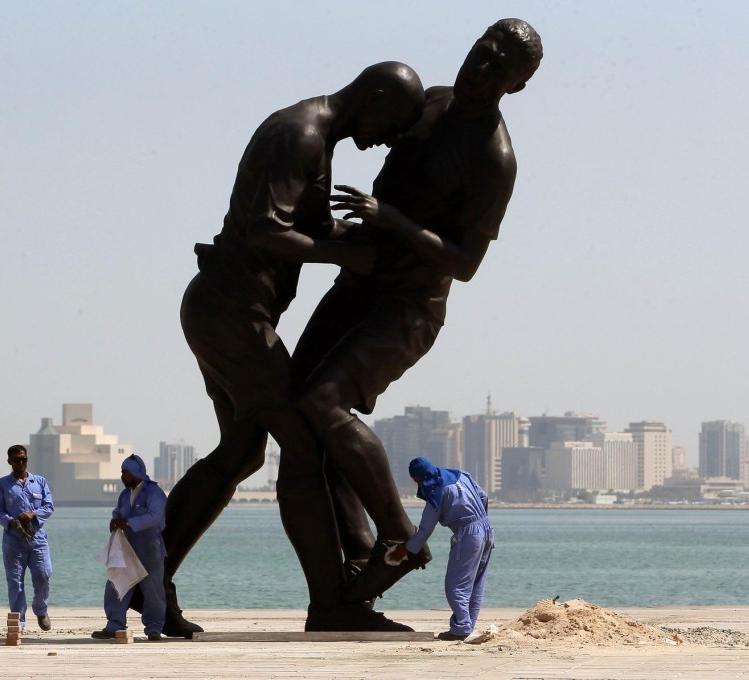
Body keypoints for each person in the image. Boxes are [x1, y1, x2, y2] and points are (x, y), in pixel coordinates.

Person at [160, 61, 426, 634]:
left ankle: (148, 581)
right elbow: (265, 229)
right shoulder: (300, 133)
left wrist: (381, 236)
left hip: (226, 313)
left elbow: (310, 227)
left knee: (241, 452)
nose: (389, 139)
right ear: (375, 96)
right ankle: (331, 605)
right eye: (394, 123)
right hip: (232, 316)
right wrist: (347, 256)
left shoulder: (318, 139)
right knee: (305, 442)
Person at [291, 18, 542, 603]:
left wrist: (392, 220)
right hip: (359, 283)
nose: (480, 68)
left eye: (498, 68)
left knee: (322, 401)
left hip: (408, 308)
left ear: (516, 86)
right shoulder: (430, 101)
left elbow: (465, 262)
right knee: (300, 411)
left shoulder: (494, 158)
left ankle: (399, 536)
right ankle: (355, 571)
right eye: (481, 52)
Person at [390, 457, 493, 641]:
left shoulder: (436, 492)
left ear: (422, 476)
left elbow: (425, 529)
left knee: (456, 585)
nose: (419, 485)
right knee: (476, 583)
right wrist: (479, 520)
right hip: (487, 529)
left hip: (468, 534)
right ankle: (467, 625)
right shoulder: (461, 475)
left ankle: (461, 629)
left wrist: (405, 549)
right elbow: (484, 496)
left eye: (418, 481)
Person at [92, 454, 169, 641]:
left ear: (136, 473)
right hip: (127, 547)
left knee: (153, 590)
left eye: (125, 472)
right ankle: (114, 624)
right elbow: (118, 512)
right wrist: (115, 520)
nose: (122, 476)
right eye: (122, 472)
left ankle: (154, 628)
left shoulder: (154, 493)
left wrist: (127, 522)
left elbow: (155, 517)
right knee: (116, 584)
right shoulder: (125, 494)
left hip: (150, 548)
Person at [0, 444, 54, 631]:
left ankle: (41, 609)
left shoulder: (39, 482)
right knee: (15, 582)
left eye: (24, 459)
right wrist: (11, 522)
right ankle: (18, 621)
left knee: (43, 574)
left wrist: (32, 514)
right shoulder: (2, 484)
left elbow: (48, 506)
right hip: (13, 540)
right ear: (9, 462)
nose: (21, 463)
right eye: (17, 460)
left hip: (37, 538)